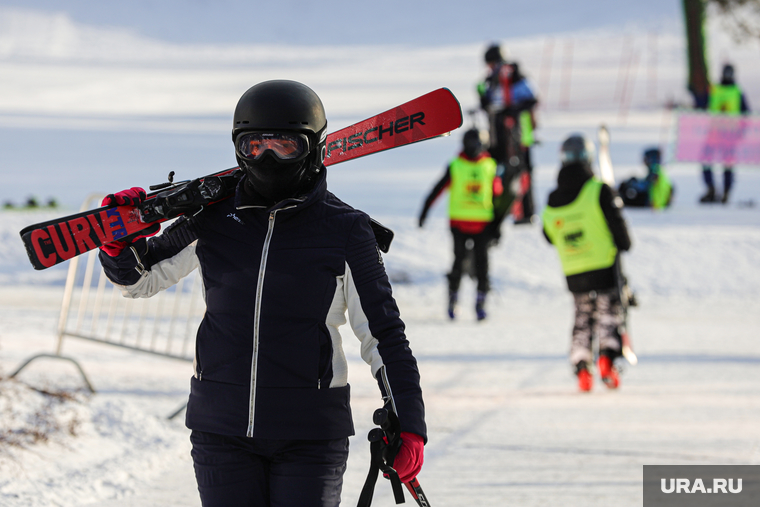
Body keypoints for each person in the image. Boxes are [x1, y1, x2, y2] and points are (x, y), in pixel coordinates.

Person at [98, 80, 426, 507]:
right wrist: (118, 240)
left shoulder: (346, 230)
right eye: (255, 145)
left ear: (313, 148)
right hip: (221, 431)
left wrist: (410, 424)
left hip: (310, 437)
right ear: (238, 147)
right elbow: (138, 278)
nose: (268, 157)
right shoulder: (213, 219)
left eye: (285, 145)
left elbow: (383, 333)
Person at [541, 134, 632, 392]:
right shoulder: (598, 189)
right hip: (604, 266)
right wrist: (623, 244)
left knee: (582, 317)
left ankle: (581, 366)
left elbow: (549, 234)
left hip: (574, 269)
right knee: (608, 315)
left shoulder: (552, 198)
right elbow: (619, 228)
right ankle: (607, 360)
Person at [418, 128, 501, 321]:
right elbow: (438, 189)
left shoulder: (489, 166)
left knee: (482, 266)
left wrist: (497, 226)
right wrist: (424, 212)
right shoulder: (456, 165)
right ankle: (453, 300)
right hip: (460, 224)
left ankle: (480, 302)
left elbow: (498, 196)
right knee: (459, 263)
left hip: (482, 224)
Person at [476, 44, 538, 230]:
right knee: (497, 170)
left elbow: (532, 99)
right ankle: (502, 209)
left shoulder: (516, 77)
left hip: (518, 134)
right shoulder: (491, 81)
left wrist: (511, 111)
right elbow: (489, 104)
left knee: (522, 171)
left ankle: (526, 212)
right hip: (499, 134)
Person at [699, 63, 751, 204]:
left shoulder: (736, 92)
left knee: (727, 164)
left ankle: (726, 191)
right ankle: (711, 188)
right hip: (715, 133)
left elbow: (745, 113)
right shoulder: (714, 90)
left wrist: (742, 131)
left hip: (729, 135)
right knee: (706, 160)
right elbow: (702, 104)